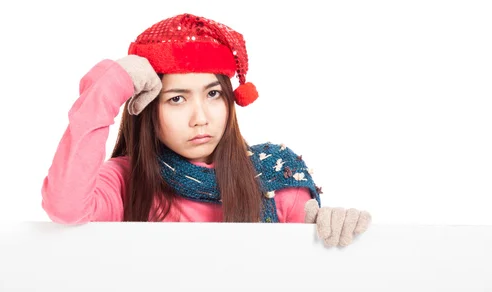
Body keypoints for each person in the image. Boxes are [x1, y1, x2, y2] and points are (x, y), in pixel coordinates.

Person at [41, 13, 371, 247]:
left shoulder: (275, 176)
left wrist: (339, 229)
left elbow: (308, 278)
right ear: (147, 108)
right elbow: (65, 207)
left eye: (213, 94)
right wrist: (112, 83)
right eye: (177, 99)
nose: (200, 117)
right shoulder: (125, 180)